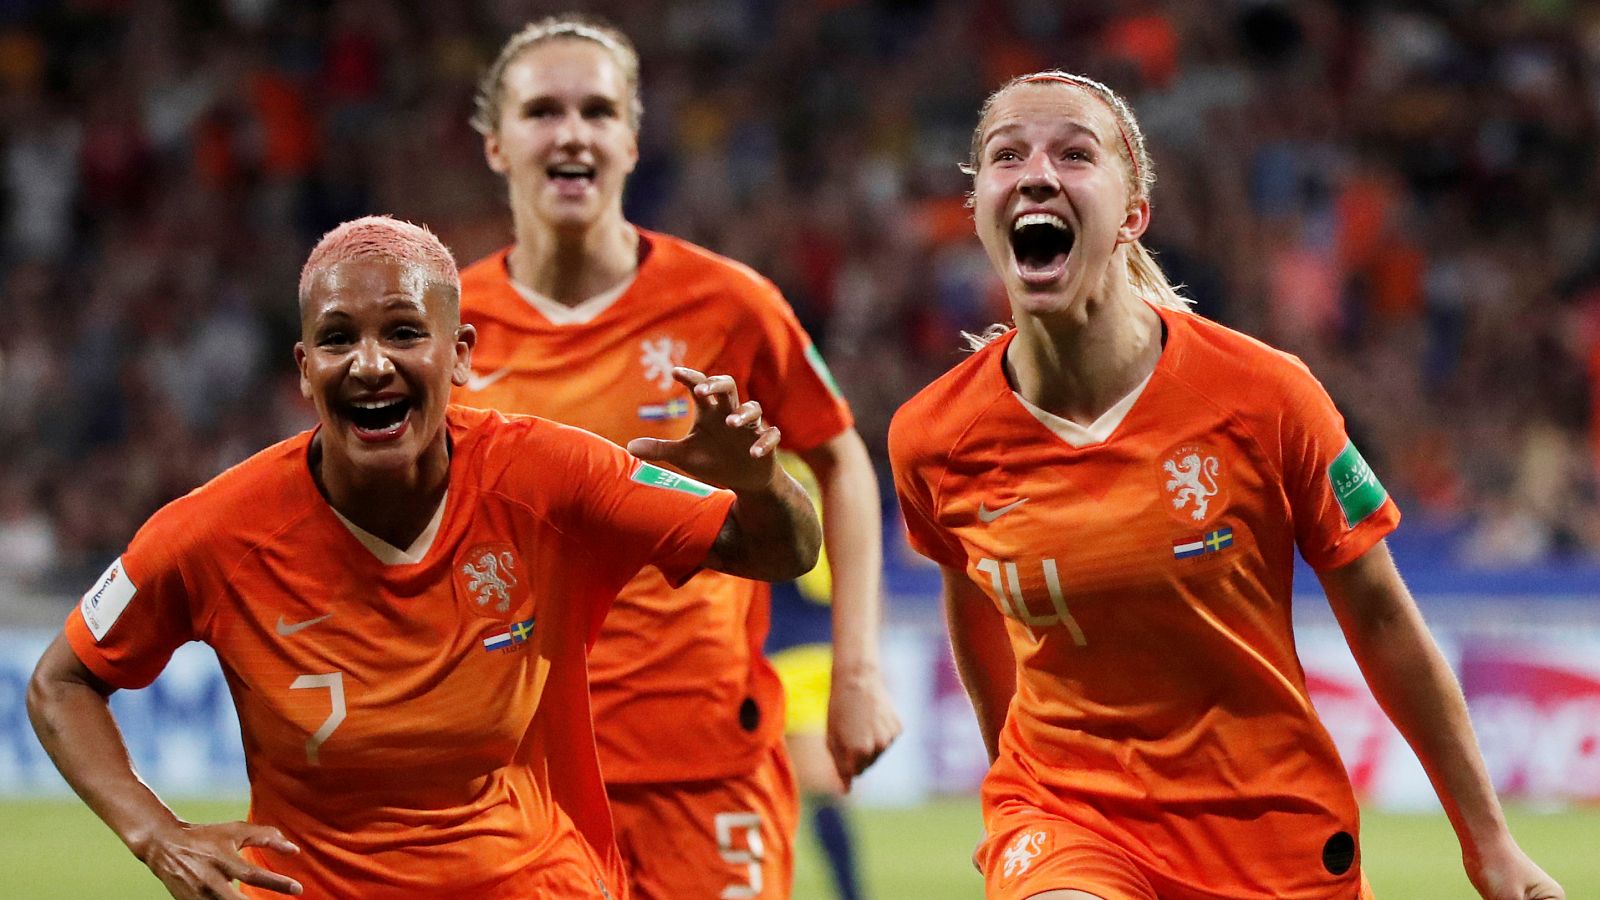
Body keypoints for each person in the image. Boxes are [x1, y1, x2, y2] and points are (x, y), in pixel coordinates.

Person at [886, 71, 1565, 900]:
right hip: (1069, 823)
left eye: (1073, 152)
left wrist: (1486, 840)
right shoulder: (934, 437)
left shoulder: (1265, 396)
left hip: (1266, 834)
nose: (1036, 173)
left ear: (1133, 213)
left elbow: (1383, 618)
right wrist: (1012, 800)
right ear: (979, 209)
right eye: (1007, 155)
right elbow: (977, 609)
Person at [26, 215, 821, 900]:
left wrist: (762, 483)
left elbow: (780, 549)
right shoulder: (216, 533)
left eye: (404, 331)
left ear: (462, 355)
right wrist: (155, 832)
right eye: (338, 338)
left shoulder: (548, 477)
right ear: (305, 370)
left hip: (529, 882)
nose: (371, 363)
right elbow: (63, 681)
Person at [459, 15, 900, 899]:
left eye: (597, 109)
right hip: (517, 775)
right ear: (498, 144)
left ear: (631, 136)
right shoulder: (444, 327)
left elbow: (843, 458)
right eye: (543, 111)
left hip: (702, 762)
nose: (572, 131)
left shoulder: (728, 304)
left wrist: (857, 670)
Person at [764, 454, 865, 900]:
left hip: (783, 648)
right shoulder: (821, 470)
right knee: (812, 788)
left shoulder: (758, 467)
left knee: (792, 787)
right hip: (806, 644)